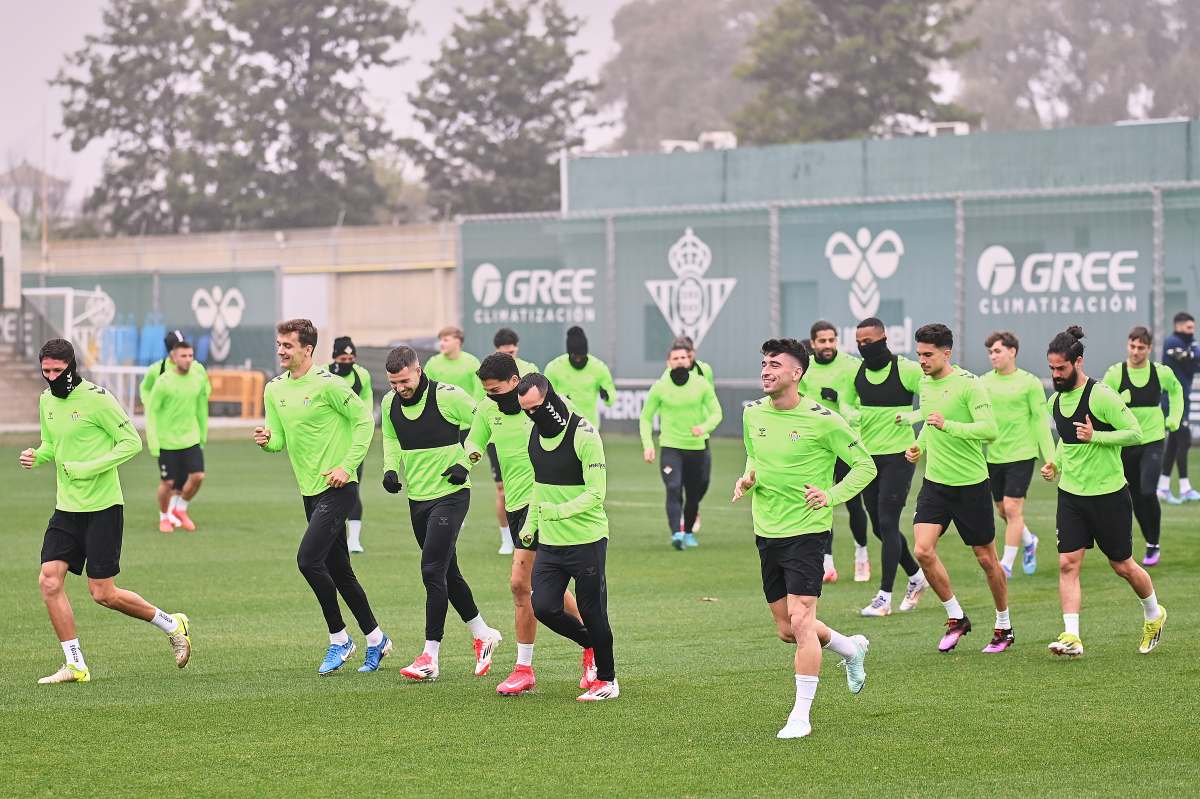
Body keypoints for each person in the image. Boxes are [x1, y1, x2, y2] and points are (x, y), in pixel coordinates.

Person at [22, 339, 191, 684]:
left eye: (57, 370)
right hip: (66, 509)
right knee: (49, 580)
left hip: (103, 508)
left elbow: (131, 442)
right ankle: (75, 664)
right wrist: (37, 455)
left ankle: (171, 624)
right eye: (46, 370)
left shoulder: (98, 399)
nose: (51, 377)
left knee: (103, 594)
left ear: (71, 366)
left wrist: (90, 467)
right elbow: (51, 444)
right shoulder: (46, 400)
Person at [732, 338, 874, 739]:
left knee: (801, 617)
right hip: (766, 530)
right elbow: (754, 456)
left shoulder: (823, 419)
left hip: (807, 533)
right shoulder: (753, 414)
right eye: (763, 363)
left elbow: (865, 466)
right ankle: (849, 648)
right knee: (787, 628)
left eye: (775, 364)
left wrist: (830, 496)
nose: (766, 370)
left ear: (797, 373)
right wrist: (748, 477)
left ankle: (801, 715)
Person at [254, 319, 392, 675]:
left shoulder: (331, 385)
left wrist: (347, 467)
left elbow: (364, 422)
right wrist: (269, 442)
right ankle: (377, 639)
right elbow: (280, 440)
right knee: (340, 571)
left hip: (338, 488)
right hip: (309, 492)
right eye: (279, 344)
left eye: (288, 345)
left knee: (307, 560)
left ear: (308, 349)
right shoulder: (274, 390)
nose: (281, 350)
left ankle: (339, 639)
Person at [1043, 326, 1166, 657]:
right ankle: (1072, 636)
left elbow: (1135, 434)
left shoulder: (1102, 395)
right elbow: (1066, 441)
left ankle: (1154, 613)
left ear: (1078, 362)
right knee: (1068, 563)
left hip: (1109, 495)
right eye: (1052, 368)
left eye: (1061, 368)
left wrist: (1097, 436)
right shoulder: (1054, 401)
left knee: (1122, 565)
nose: (1055, 375)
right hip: (1071, 496)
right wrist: (1054, 464)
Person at [380, 345, 502, 681]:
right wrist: (391, 469)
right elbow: (390, 438)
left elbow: (485, 423)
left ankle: (429, 657)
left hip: (451, 496)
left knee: (431, 570)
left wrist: (466, 463)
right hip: (417, 499)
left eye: (404, 381)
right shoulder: (390, 403)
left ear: (418, 370)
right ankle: (483, 634)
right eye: (393, 383)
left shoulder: (448, 397)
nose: (399, 388)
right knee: (448, 572)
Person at [466, 354, 584, 695]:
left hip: (547, 504)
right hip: (517, 507)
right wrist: (468, 459)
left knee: (521, 583)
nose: (492, 397)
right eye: (487, 392)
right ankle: (590, 644)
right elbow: (475, 439)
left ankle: (524, 667)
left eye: (498, 391)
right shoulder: (489, 410)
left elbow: (580, 431)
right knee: (537, 587)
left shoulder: (544, 405)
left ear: (516, 382)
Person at [905, 324, 1012, 654]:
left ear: (946, 353)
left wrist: (948, 425)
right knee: (922, 550)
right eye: (919, 354)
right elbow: (929, 423)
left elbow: (990, 431)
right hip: (936, 484)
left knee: (987, 560)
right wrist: (919, 445)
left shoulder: (970, 385)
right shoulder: (924, 382)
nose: (922, 361)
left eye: (928, 355)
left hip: (971, 487)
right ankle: (956, 617)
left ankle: (1004, 625)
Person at [518, 372, 618, 701]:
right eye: (526, 410)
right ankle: (588, 642)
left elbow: (596, 494)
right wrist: (531, 523)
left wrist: (558, 512)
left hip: (587, 540)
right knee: (543, 606)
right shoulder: (535, 436)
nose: (532, 414)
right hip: (551, 542)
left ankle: (607, 680)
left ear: (550, 398)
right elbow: (540, 485)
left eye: (536, 407)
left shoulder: (585, 435)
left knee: (593, 610)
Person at [841, 318, 927, 617]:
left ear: (884, 338)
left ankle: (884, 597)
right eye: (860, 342)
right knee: (878, 525)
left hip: (899, 458)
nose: (864, 347)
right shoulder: (857, 371)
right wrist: (853, 414)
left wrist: (913, 417)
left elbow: (931, 399)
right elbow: (845, 403)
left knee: (888, 522)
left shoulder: (906, 369)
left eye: (869, 341)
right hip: (868, 458)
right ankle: (916, 577)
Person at [1102, 326, 1184, 566]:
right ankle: (1150, 542)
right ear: (1128, 346)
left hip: (1153, 440)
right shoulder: (1116, 373)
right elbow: (1101, 401)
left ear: (1149, 349)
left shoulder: (1161, 372)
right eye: (1132, 346)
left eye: (1141, 348)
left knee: (1148, 490)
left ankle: (1154, 542)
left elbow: (1177, 391)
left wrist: (1174, 418)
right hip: (1127, 442)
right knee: (1135, 496)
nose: (1136, 351)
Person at [799, 320, 871, 583]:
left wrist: (838, 400)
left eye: (831, 340)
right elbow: (800, 402)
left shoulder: (852, 365)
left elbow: (863, 403)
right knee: (819, 501)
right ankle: (826, 563)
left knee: (854, 504)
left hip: (846, 443)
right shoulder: (805, 369)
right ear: (813, 343)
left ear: (836, 340)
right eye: (822, 341)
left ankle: (861, 555)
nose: (827, 345)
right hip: (817, 446)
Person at [980, 331, 1053, 577]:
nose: (993, 356)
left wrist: (1050, 458)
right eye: (990, 352)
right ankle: (1029, 541)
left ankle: (1006, 564)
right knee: (1003, 510)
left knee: (1012, 508)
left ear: (1012, 351)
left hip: (1022, 453)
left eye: (997, 351)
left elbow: (1041, 422)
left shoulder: (1030, 383)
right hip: (994, 456)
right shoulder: (983, 382)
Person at [640, 340, 722, 549]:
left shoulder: (701, 384)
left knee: (694, 494)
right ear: (668, 363)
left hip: (697, 448)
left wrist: (703, 428)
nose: (679, 361)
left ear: (689, 360)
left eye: (683, 358)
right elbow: (646, 418)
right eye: (675, 358)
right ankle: (676, 533)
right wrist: (648, 444)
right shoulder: (659, 387)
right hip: (671, 447)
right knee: (674, 487)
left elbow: (717, 413)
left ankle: (687, 534)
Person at [146, 335, 210, 534]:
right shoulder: (163, 382)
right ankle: (164, 517)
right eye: (183, 355)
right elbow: (152, 411)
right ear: (174, 357)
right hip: (167, 442)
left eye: (191, 355)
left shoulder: (198, 379)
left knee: (198, 477)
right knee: (168, 483)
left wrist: (202, 434)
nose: (188, 359)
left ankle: (180, 509)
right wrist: (153, 442)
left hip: (190, 439)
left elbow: (201, 408)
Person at [490, 328, 539, 555]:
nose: (510, 354)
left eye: (513, 350)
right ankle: (506, 538)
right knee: (502, 490)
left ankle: (531, 536)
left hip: (528, 438)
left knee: (535, 487)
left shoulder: (530, 369)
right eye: (505, 352)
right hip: (498, 438)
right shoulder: (489, 371)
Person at [328, 336, 373, 553]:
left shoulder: (361, 375)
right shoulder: (323, 374)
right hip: (328, 441)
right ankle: (330, 537)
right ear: (334, 357)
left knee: (352, 488)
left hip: (353, 441)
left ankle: (353, 540)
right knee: (327, 490)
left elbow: (365, 407)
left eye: (351, 357)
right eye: (343, 357)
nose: (348, 361)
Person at [1159, 312, 1199, 502]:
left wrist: (1192, 355)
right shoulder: (1171, 342)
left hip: (1184, 398)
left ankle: (1163, 487)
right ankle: (1185, 488)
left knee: (1175, 443)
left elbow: (1196, 360)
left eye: (1193, 328)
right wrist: (1192, 355)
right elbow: (1187, 358)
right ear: (1178, 326)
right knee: (1184, 440)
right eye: (1189, 328)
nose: (1192, 332)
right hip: (1172, 400)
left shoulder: (1190, 344)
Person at [543, 326, 616, 429]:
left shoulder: (599, 368)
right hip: (563, 427)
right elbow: (545, 399)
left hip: (590, 428)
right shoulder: (554, 368)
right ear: (569, 353)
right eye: (574, 356)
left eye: (581, 356)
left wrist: (606, 396)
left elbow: (611, 399)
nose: (578, 360)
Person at [139, 329, 208, 414]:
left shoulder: (197, 368)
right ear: (171, 352)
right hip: (166, 422)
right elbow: (145, 389)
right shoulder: (157, 369)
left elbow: (205, 391)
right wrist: (151, 405)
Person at [424, 326, 484, 416]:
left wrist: (475, 412)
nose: (441, 343)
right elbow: (425, 390)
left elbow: (480, 391)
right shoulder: (432, 363)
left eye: (446, 340)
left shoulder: (473, 362)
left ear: (457, 342)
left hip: (468, 422)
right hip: (442, 419)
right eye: (440, 340)